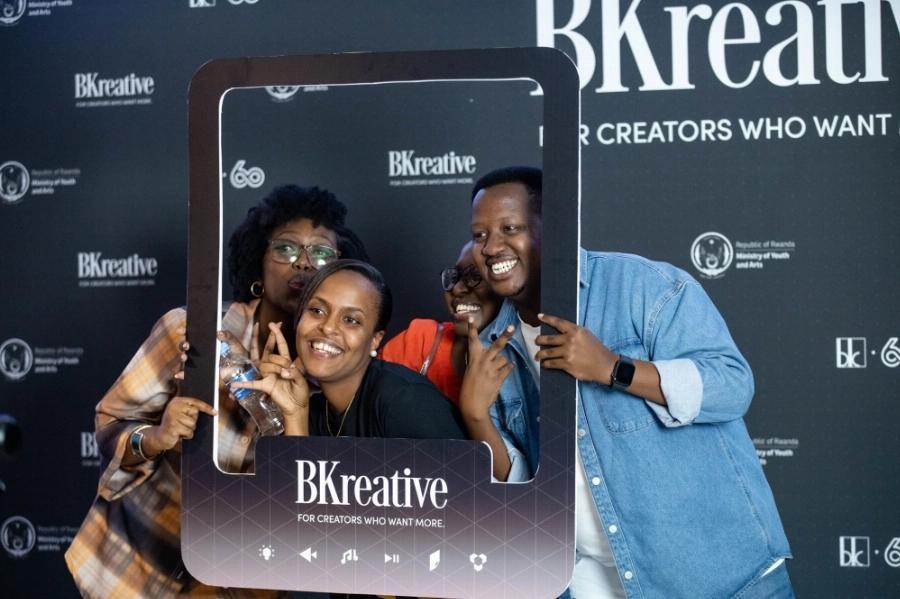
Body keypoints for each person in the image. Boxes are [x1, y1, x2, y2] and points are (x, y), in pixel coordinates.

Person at [467, 167, 794, 598]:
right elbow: (526, 490)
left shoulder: (641, 286)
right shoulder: (493, 344)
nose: (491, 247)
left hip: (716, 577)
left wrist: (613, 368)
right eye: (480, 235)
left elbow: (732, 386)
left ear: (556, 227)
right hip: (590, 581)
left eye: (510, 228)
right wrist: (477, 417)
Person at [65, 185, 367, 598]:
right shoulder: (193, 332)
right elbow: (111, 422)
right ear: (258, 260)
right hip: (132, 571)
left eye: (320, 252)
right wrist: (155, 437)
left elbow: (317, 509)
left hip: (237, 586)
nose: (302, 262)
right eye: (285, 248)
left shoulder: (335, 377)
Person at [233, 259, 467, 441]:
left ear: (375, 340)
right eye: (317, 311)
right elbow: (296, 488)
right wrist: (295, 413)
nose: (328, 327)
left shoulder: (405, 401)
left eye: (351, 320)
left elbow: (468, 486)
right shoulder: (313, 409)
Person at [380, 241, 501, 405]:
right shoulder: (422, 340)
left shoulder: (524, 361)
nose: (456, 288)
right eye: (454, 277)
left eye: (475, 276)